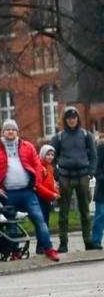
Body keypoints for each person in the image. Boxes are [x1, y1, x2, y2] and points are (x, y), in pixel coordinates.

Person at [0, 118, 58, 261]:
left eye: (13, 129)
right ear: (3, 132)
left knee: (39, 219)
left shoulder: (28, 147)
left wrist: (35, 183)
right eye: (8, 129)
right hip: (7, 193)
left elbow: (37, 165)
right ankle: (15, 251)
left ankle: (48, 248)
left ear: (17, 131)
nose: (10, 132)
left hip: (27, 191)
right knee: (12, 225)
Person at [50, 106, 98, 251]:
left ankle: (88, 241)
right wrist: (56, 174)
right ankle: (63, 242)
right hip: (65, 176)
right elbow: (51, 158)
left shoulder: (86, 135)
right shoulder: (58, 137)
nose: (71, 120)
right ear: (65, 120)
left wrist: (91, 172)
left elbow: (93, 156)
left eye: (74, 118)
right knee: (63, 212)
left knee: (85, 211)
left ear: (78, 119)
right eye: (69, 118)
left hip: (83, 175)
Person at [36, 144, 61, 231]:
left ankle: (45, 238)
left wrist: (56, 192)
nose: (50, 157)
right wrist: (52, 194)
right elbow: (38, 185)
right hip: (40, 197)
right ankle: (43, 238)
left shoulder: (50, 167)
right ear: (43, 154)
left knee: (46, 219)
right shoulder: (39, 167)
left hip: (47, 198)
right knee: (42, 221)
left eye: (52, 155)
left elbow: (52, 182)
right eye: (48, 154)